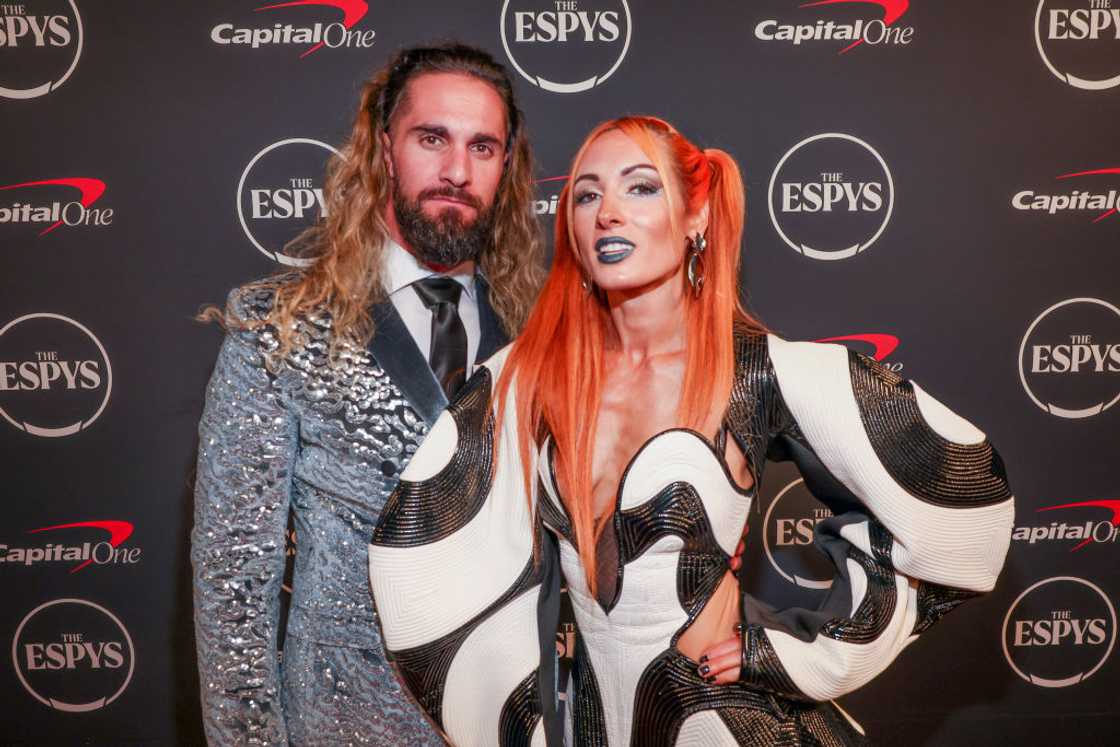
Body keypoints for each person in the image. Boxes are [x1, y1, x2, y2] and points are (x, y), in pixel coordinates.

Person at [368, 116, 1016, 746]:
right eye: (587, 194)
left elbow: (963, 502)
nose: (608, 211)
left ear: (696, 217)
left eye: (640, 187)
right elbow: (421, 546)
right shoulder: (530, 377)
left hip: (727, 721)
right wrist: (517, 716)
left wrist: (807, 656)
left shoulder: (757, 370)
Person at [190, 43, 556, 746]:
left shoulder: (544, 340)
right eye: (432, 138)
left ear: (506, 167)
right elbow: (233, 589)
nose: (456, 170)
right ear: (384, 149)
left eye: (483, 146)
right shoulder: (279, 330)